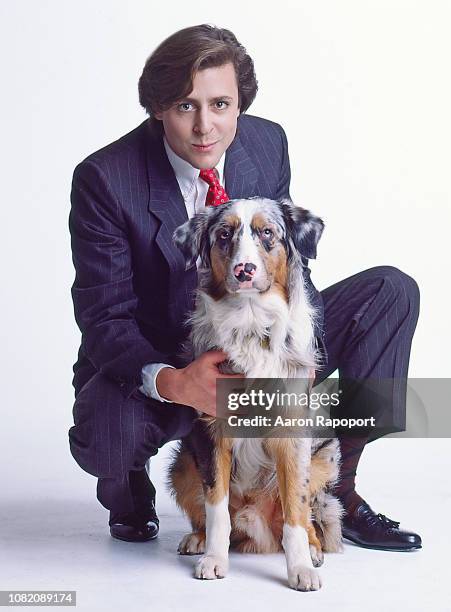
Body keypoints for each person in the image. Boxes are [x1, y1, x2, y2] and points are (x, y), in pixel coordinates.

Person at [68, 24, 422, 550]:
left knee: (391, 291)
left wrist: (298, 350)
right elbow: (105, 318)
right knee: (108, 434)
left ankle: (332, 489)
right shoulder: (105, 178)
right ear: (158, 107)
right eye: (186, 106)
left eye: (221, 104)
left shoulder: (265, 140)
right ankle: (127, 490)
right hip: (169, 351)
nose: (205, 126)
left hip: (257, 342)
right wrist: (175, 380)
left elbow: (286, 261)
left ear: (240, 104)